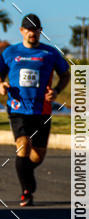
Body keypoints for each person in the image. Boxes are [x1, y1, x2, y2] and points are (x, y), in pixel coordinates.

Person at [0, 13, 70, 206]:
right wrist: (1, 85)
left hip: (43, 110)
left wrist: (56, 91)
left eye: (36, 29)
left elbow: (65, 74)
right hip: (18, 108)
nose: (33, 33)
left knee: (37, 155)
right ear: (22, 31)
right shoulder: (9, 53)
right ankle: (27, 191)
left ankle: (27, 173)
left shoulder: (50, 53)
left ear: (40, 31)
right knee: (22, 145)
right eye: (29, 29)